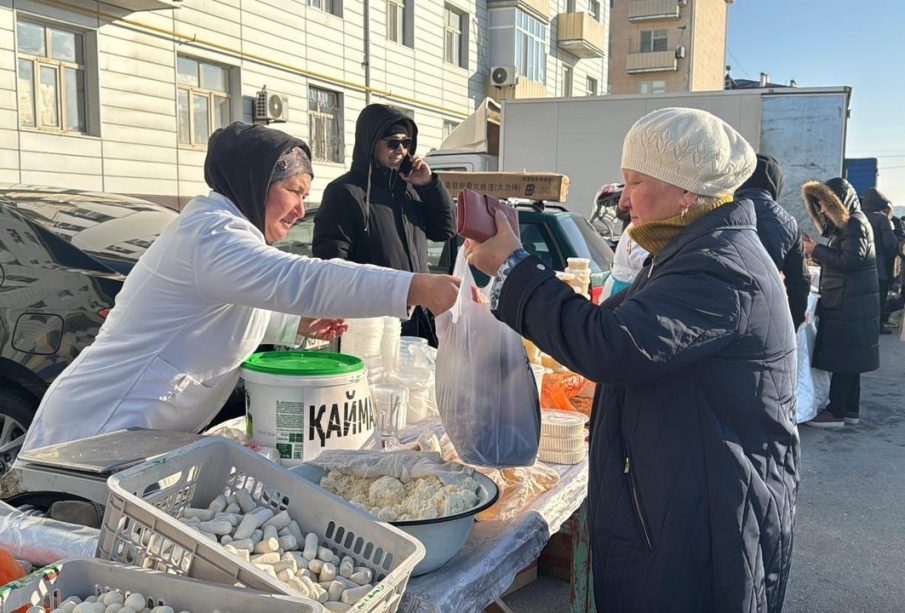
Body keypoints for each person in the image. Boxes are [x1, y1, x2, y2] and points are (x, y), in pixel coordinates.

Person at [467, 107, 799, 611]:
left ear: (686, 191)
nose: (623, 200)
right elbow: (614, 323)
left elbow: (613, 345)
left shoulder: (719, 266)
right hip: (687, 499)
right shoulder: (689, 249)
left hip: (710, 521)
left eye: (635, 182)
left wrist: (514, 270)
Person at [21, 122, 459, 452]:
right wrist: (415, 286)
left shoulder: (228, 234)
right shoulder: (211, 235)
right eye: (294, 191)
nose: (300, 210)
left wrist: (293, 325)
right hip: (93, 433)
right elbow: (302, 278)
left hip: (137, 436)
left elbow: (222, 311)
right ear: (255, 183)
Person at [313, 104, 456, 346]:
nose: (401, 150)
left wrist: (429, 185)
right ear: (371, 143)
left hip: (419, 321)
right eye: (392, 142)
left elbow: (445, 229)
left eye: (406, 143)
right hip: (372, 327)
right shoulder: (345, 192)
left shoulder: (410, 189)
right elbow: (332, 263)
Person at [801, 178, 880, 427]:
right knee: (851, 358)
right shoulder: (853, 222)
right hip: (851, 299)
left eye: (824, 204)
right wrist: (817, 252)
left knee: (843, 357)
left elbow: (851, 260)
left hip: (848, 301)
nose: (821, 210)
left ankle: (835, 411)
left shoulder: (854, 223)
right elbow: (846, 258)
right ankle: (850, 410)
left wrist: (816, 250)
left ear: (837, 202)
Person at [735, 153, 811, 330]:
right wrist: (792, 323)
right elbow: (800, 281)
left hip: (718, 311)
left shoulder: (722, 209)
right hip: (763, 315)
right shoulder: (788, 223)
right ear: (776, 183)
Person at [860, 187, 898, 333]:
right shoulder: (882, 218)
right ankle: (878, 325)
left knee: (863, 298)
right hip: (879, 267)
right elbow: (890, 244)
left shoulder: (858, 216)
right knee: (879, 298)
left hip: (860, 266)